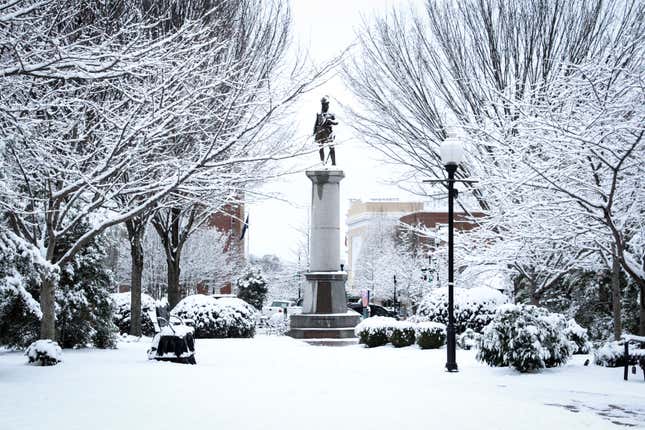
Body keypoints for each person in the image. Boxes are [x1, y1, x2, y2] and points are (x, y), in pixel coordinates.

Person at [313, 95, 338, 165]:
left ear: (328, 104)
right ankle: (322, 162)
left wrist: (330, 121)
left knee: (332, 148)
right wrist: (314, 132)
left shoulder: (331, 114)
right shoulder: (319, 114)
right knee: (321, 148)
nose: (324, 106)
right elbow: (316, 123)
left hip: (328, 132)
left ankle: (334, 163)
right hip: (320, 132)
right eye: (323, 104)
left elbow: (336, 122)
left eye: (326, 104)